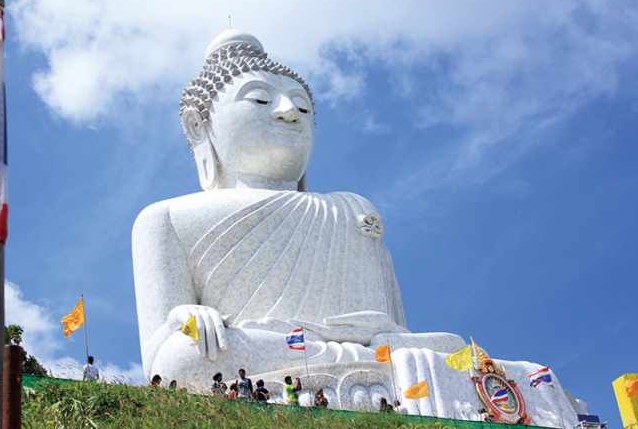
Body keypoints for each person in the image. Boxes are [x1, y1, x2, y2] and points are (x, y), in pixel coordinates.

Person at [132, 30, 465, 384]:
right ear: (198, 125)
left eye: (303, 107)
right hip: (256, 352)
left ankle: (363, 370)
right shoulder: (165, 218)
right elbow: (158, 355)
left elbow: (398, 331)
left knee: (456, 349)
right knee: (184, 357)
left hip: (370, 353)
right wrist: (183, 317)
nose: (289, 112)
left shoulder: (351, 208)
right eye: (260, 100)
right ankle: (372, 374)